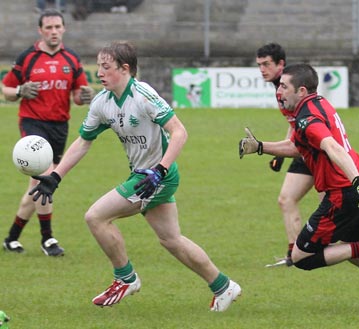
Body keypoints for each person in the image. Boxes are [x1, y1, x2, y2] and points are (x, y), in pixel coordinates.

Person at [29, 41, 241, 310]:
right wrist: (56, 176)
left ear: (125, 68)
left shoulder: (143, 95)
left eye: (106, 67)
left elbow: (179, 132)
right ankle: (223, 286)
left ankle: (126, 278)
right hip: (143, 176)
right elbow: (83, 142)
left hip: (157, 176)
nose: (100, 73)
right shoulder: (102, 103)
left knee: (96, 217)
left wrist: (159, 170)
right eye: (100, 67)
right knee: (171, 240)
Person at [239, 63, 359, 307]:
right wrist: (261, 147)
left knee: (302, 258)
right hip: (358, 188)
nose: (279, 92)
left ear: (301, 91)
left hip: (344, 193)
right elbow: (299, 148)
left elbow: (331, 146)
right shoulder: (317, 105)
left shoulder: (307, 118)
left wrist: (356, 181)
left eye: (284, 87)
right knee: (348, 249)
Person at [255, 43, 359, 267]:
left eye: (266, 64)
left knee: (305, 226)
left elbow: (326, 143)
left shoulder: (299, 101)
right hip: (319, 155)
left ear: (281, 65)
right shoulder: (312, 100)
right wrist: (267, 149)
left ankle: (297, 251)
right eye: (259, 65)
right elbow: (295, 128)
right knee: (343, 241)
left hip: (320, 159)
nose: (262, 69)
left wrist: (357, 180)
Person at [1, 9, 95, 256]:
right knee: (45, 179)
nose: (54, 31)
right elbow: (6, 89)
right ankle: (48, 239)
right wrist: (21, 90)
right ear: (40, 30)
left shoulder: (72, 60)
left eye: (57, 27)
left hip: (59, 128)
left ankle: (11, 238)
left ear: (63, 29)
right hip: (33, 124)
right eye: (49, 27)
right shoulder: (28, 57)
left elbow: (78, 95)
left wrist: (85, 95)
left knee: (36, 186)